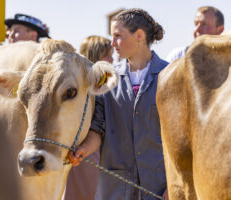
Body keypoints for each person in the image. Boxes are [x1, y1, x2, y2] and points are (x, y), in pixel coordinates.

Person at [69, 8, 168, 200]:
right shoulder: (106, 79)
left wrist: (173, 187)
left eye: (118, 36)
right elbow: (98, 129)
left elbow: (182, 140)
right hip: (115, 190)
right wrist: (84, 150)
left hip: (160, 189)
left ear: (139, 35)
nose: (112, 43)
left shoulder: (170, 75)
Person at [65, 35, 113, 200]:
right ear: (96, 56)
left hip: (92, 151)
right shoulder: (86, 84)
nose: (112, 59)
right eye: (107, 55)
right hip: (85, 152)